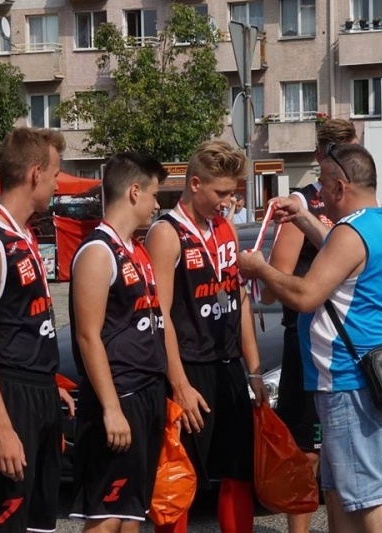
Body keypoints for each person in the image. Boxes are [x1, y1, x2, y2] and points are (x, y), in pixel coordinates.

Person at [239, 143, 382, 533]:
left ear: (341, 186)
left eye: (323, 187)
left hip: (350, 379)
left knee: (368, 498)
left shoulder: (350, 233)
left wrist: (260, 269)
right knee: (341, 492)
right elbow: (339, 252)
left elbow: (305, 295)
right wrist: (302, 219)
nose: (320, 197)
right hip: (367, 375)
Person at [144, 139, 268, 533]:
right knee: (180, 479)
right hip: (189, 369)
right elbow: (159, 313)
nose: (227, 201)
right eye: (221, 192)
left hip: (228, 366)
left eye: (233, 193)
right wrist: (178, 385)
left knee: (237, 473)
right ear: (195, 183)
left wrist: (254, 370)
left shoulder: (226, 228)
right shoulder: (166, 232)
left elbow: (241, 300)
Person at [0, 127, 76, 533]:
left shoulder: (24, 234)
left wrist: (47, 384)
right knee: (1, 524)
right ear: (35, 174)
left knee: (39, 522)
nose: (58, 185)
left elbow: (24, 323)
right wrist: (3, 427)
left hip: (37, 391)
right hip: (9, 397)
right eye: (56, 174)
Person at [261, 118, 357, 533]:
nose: (353, 164)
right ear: (322, 159)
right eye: (344, 155)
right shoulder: (303, 203)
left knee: (342, 452)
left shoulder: (358, 206)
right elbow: (280, 275)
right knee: (307, 451)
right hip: (307, 340)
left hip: (349, 342)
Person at [68, 153, 169, 531]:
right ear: (134, 191)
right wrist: (111, 408)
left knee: (132, 511)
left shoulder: (136, 249)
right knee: (105, 513)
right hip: (119, 395)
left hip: (147, 392)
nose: (156, 205)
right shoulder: (98, 252)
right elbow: (87, 335)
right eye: (154, 195)